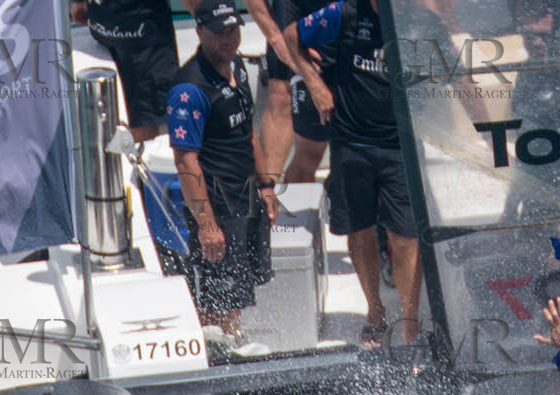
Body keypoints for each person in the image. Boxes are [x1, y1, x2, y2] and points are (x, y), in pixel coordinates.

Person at [286, 0, 423, 346]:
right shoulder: (343, 13)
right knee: (359, 230)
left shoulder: (415, 18)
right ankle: (375, 310)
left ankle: (410, 327)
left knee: (405, 238)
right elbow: (290, 36)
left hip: (399, 144)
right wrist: (314, 83)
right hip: (350, 140)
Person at [168, 2, 278, 337]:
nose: (229, 39)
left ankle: (234, 337)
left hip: (245, 195)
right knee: (218, 295)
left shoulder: (240, 66)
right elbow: (186, 161)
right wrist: (207, 224)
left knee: (240, 288)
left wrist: (266, 186)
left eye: (233, 30)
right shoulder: (189, 89)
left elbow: (248, 131)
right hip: (216, 204)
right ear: (199, 33)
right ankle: (218, 348)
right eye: (219, 33)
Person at [72, 0, 192, 142]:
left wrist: (78, 3)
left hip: (101, 25)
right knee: (150, 120)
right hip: (141, 37)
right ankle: (144, 148)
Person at [245, 0, 331, 185]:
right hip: (293, 8)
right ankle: (267, 192)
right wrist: (278, 41)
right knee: (281, 94)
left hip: (342, 10)